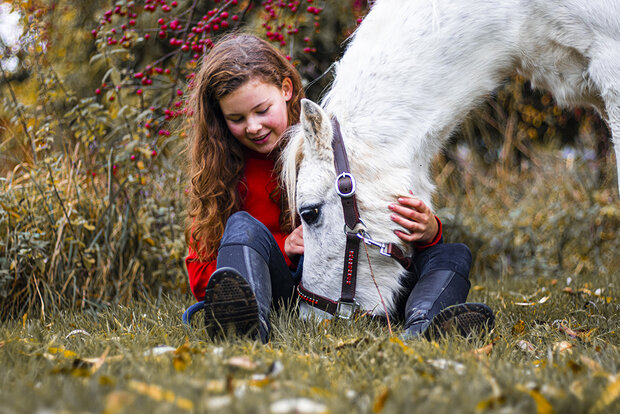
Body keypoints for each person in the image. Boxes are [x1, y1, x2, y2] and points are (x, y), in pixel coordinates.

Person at [182, 33, 494, 343]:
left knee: (452, 254)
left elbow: (374, 224)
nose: (253, 126)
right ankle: (247, 329)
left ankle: (424, 325)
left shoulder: (335, 146)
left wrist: (429, 231)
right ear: (220, 118)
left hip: (355, 280)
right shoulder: (221, 173)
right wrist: (281, 248)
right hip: (285, 293)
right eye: (236, 118)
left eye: (262, 110)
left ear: (286, 90)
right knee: (242, 228)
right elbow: (200, 276)